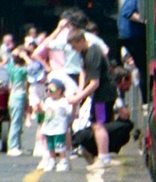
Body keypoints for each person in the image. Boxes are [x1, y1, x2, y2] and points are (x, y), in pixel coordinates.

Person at [67, 27, 118, 169]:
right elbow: (83, 72)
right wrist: (80, 92)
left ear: (82, 40)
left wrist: (78, 98)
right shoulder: (83, 53)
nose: (73, 48)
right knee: (98, 123)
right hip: (99, 93)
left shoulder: (92, 54)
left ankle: (103, 158)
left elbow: (95, 83)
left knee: (98, 124)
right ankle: (103, 155)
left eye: (74, 45)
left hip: (103, 94)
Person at [37, 79, 73, 172]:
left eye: (51, 90)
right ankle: (52, 160)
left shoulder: (63, 101)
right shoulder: (48, 101)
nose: (49, 92)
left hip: (59, 127)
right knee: (50, 145)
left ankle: (63, 161)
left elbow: (69, 112)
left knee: (60, 145)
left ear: (59, 91)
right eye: (47, 90)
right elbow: (44, 111)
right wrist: (38, 108)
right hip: (49, 127)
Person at [5, 46, 30, 156]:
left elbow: (9, 60)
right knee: (16, 122)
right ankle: (12, 146)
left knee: (17, 122)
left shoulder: (11, 68)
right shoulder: (21, 70)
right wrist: (25, 55)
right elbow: (32, 67)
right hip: (18, 97)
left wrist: (15, 53)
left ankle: (17, 145)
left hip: (13, 97)